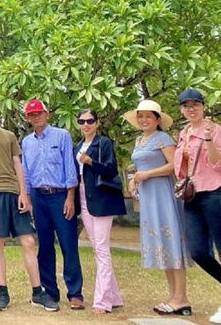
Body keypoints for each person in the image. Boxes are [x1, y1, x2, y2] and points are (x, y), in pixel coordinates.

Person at [0, 93, 55, 312]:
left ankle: (38, 292)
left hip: (15, 193)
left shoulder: (9, 136)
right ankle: (3, 292)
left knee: (27, 241)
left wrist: (23, 193)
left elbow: (18, 164)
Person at [174, 88, 221, 324]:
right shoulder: (184, 132)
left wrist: (207, 140)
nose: (191, 109)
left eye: (195, 105)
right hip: (193, 196)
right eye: (186, 106)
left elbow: (219, 162)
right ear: (181, 109)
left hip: (215, 193)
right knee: (198, 251)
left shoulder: (214, 130)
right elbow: (181, 166)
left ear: (203, 106)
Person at [125, 99, 191, 316]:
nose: (144, 120)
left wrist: (148, 174)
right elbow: (139, 165)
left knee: (172, 242)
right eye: (141, 116)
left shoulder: (163, 138)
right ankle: (173, 295)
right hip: (148, 196)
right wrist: (133, 177)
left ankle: (181, 297)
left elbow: (175, 166)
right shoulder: (140, 140)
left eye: (148, 116)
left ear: (157, 119)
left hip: (163, 194)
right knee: (162, 245)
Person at [21, 99, 84, 311]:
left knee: (68, 244)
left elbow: (69, 167)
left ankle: (75, 292)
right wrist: (28, 198)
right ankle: (50, 290)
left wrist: (70, 197)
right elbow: (27, 172)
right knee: (45, 246)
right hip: (39, 198)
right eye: (31, 114)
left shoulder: (62, 135)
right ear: (28, 118)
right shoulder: (27, 142)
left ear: (47, 114)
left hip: (60, 196)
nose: (36, 117)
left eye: (39, 113)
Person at [73, 108, 126, 314]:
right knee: (97, 248)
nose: (85, 124)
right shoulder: (77, 146)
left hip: (102, 199)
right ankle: (114, 296)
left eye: (90, 120)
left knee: (102, 249)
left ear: (97, 122)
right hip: (84, 198)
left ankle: (102, 300)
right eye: (82, 121)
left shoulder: (103, 143)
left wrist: (90, 162)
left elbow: (111, 169)